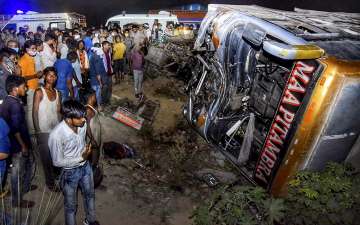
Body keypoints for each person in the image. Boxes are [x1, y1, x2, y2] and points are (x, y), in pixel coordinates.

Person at [48, 100, 100, 225]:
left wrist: (87, 154)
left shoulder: (82, 125)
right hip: (69, 173)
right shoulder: (56, 135)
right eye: (80, 118)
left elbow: (82, 141)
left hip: (85, 168)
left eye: (83, 116)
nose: (83, 120)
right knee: (71, 206)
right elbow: (57, 161)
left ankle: (90, 221)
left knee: (90, 195)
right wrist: (81, 158)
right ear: (68, 118)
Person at [0, 76, 35, 208]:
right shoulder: (15, 105)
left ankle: (25, 186)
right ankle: (17, 200)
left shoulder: (7, 101)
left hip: (12, 142)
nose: (25, 89)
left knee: (28, 164)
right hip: (17, 145)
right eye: (23, 87)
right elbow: (15, 128)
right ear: (15, 89)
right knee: (17, 173)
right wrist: (23, 145)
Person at [32, 67, 61, 190]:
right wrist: (38, 130)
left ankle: (56, 176)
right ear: (44, 77)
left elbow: (59, 112)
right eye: (50, 75)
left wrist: (61, 129)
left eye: (54, 75)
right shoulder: (39, 91)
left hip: (55, 130)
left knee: (56, 156)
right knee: (46, 159)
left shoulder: (58, 93)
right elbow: (34, 112)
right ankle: (50, 183)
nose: (52, 77)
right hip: (43, 130)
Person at [18, 40, 41, 135]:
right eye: (32, 48)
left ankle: (34, 128)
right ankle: (31, 132)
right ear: (27, 49)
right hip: (29, 88)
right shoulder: (23, 60)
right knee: (30, 110)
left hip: (34, 86)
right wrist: (36, 75)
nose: (35, 50)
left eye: (35, 48)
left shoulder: (31, 58)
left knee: (35, 109)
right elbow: (21, 77)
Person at [85, 90, 102, 166]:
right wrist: (92, 139)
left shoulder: (91, 107)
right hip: (92, 135)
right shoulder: (88, 110)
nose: (96, 97)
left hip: (94, 133)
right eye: (95, 96)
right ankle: (93, 167)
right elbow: (87, 127)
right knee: (94, 151)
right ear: (91, 97)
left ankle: (94, 164)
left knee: (95, 150)